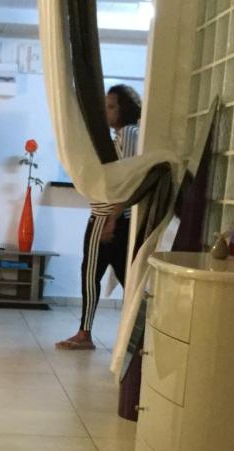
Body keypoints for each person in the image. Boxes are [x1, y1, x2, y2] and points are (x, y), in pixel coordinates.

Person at [56, 84, 141, 351]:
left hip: (107, 217)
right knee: (125, 276)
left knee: (91, 273)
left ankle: (85, 333)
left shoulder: (128, 133)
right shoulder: (124, 135)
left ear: (125, 109)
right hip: (114, 216)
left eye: (112, 106)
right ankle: (136, 333)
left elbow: (125, 179)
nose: (106, 111)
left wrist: (112, 219)